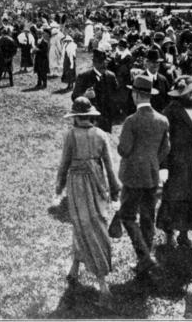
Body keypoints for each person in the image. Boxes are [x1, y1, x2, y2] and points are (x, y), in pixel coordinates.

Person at [55, 97, 121, 309]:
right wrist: (114, 192)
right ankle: (75, 267)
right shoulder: (101, 135)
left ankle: (103, 287)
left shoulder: (71, 135)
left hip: (77, 185)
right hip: (98, 184)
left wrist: (58, 187)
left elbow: (64, 164)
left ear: (75, 117)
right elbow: (110, 167)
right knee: (94, 224)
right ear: (90, 116)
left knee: (82, 224)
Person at [117, 75, 170, 276]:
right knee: (148, 217)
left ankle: (144, 256)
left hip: (132, 176)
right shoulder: (162, 120)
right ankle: (144, 259)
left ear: (136, 94)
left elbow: (124, 149)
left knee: (127, 215)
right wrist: (152, 160)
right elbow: (166, 148)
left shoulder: (131, 121)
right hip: (152, 174)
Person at [157, 76, 192, 250]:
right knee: (174, 198)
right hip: (176, 161)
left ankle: (184, 235)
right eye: (188, 91)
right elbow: (164, 140)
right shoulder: (171, 111)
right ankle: (169, 234)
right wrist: (164, 165)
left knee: (191, 198)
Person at [72, 50, 118, 133]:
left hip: (105, 120)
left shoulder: (111, 76)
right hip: (88, 119)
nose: (103, 64)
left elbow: (115, 95)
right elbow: (74, 96)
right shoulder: (84, 76)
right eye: (100, 62)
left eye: (105, 62)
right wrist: (84, 95)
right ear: (94, 63)